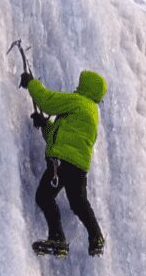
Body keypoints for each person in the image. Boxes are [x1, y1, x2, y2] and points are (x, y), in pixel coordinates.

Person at [20, 70, 106, 258]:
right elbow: (60, 137)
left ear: (86, 87)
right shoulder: (91, 112)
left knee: (44, 196)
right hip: (78, 166)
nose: (77, 86)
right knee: (78, 202)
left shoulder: (78, 101)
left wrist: (31, 83)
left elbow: (48, 102)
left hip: (62, 162)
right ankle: (96, 237)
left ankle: (58, 239)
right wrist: (45, 124)